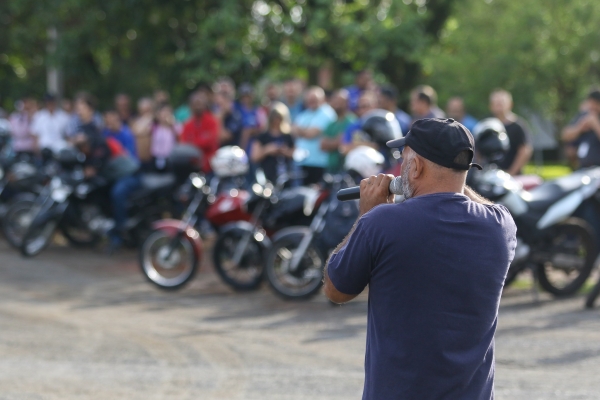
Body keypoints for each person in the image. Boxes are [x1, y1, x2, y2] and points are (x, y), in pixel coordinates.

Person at [324, 118, 517, 399]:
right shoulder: (500, 225)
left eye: (404, 160)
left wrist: (366, 214)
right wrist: (454, 185)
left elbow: (335, 289)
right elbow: (477, 202)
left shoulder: (381, 222)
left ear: (416, 166)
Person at [72, 132, 140, 252]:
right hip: (115, 177)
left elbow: (94, 167)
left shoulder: (100, 146)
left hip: (130, 174)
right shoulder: (88, 153)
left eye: (81, 146)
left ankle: (119, 231)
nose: (81, 149)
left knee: (117, 194)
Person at [292, 86, 336, 185]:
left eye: (314, 99)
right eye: (309, 99)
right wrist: (304, 131)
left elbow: (311, 134)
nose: (311, 101)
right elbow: (293, 130)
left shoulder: (327, 113)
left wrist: (301, 131)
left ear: (323, 99)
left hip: (319, 163)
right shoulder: (305, 113)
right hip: (303, 162)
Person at [489, 89, 533, 175]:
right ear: (491, 106)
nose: (499, 106)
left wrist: (511, 173)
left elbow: (525, 150)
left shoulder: (518, 126)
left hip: (513, 177)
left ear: (510, 104)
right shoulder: (488, 126)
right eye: (496, 103)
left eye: (501, 103)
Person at [251, 103, 295, 183]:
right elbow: (254, 157)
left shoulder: (287, 136)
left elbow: (295, 154)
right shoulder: (263, 136)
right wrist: (267, 150)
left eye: (279, 118)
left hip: (284, 176)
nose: (276, 121)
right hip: (266, 175)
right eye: (274, 118)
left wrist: (284, 151)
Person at [180, 91, 219, 173]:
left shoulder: (211, 121)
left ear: (204, 105)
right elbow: (184, 145)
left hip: (210, 166)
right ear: (191, 106)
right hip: (192, 166)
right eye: (195, 104)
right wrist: (201, 140)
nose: (198, 107)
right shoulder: (187, 124)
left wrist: (193, 143)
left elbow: (211, 141)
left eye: (199, 104)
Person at [561, 90, 600, 168]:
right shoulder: (584, 116)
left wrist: (595, 125)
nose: (592, 107)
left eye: (595, 104)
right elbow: (564, 135)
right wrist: (579, 128)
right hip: (583, 168)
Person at [321, 89, 356, 172]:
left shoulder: (351, 121)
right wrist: (335, 142)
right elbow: (322, 145)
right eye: (335, 101)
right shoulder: (331, 124)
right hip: (330, 168)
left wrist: (330, 142)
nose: (337, 104)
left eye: (340, 101)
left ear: (347, 103)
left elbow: (343, 142)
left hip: (345, 168)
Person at [339, 91, 378, 156]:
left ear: (375, 106)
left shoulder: (382, 125)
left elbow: (381, 147)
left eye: (366, 106)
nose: (363, 110)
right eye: (360, 107)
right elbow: (343, 149)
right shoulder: (353, 126)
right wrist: (368, 145)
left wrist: (355, 146)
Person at [235, 83, 265, 150]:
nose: (246, 98)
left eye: (248, 96)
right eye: (244, 96)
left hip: (252, 146)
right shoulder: (235, 108)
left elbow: (263, 128)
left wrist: (251, 131)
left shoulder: (258, 111)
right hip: (236, 142)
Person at [151, 104, 180, 171]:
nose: (165, 114)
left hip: (171, 158)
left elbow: (180, 138)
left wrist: (172, 124)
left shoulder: (176, 126)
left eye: (168, 112)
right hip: (156, 157)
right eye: (163, 112)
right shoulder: (154, 127)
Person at [131, 97, 155, 169]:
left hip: (153, 158)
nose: (146, 112)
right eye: (143, 110)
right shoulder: (134, 121)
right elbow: (136, 131)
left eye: (147, 109)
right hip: (138, 159)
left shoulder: (155, 121)